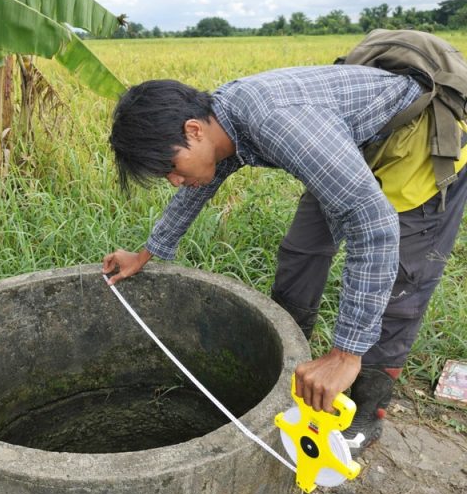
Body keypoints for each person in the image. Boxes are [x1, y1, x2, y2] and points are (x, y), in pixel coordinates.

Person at [101, 66, 467, 451]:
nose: (174, 180)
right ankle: (296, 370)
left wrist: (346, 353)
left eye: (171, 168)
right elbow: (198, 186)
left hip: (418, 140)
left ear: (193, 130)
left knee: (399, 282)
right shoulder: (221, 122)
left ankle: (364, 409)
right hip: (345, 143)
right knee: (302, 252)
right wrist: (146, 253)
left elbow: (374, 225)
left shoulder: (274, 122)